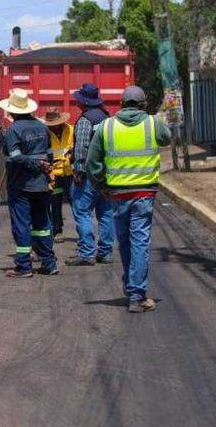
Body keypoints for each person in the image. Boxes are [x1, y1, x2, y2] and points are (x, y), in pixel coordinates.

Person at [87, 85, 171, 313]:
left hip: (117, 194)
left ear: (122, 105)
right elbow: (167, 138)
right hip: (144, 193)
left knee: (124, 241)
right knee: (140, 242)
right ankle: (137, 295)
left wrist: (101, 185)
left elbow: (91, 162)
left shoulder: (106, 126)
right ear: (144, 104)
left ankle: (131, 287)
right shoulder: (152, 123)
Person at [0, 89, 58, 278]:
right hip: (41, 185)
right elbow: (49, 154)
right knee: (42, 225)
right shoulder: (42, 128)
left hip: (21, 186)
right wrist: (43, 166)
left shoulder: (13, 130)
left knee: (22, 225)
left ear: (12, 111)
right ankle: (49, 263)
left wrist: (34, 163)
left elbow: (15, 157)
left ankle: (24, 266)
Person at [67, 83, 115, 266]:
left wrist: (78, 172)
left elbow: (81, 148)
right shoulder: (106, 117)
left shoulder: (85, 120)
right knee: (105, 213)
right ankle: (105, 252)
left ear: (83, 102)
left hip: (88, 175)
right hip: (106, 174)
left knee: (82, 211)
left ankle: (87, 252)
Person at [42, 109, 74, 242]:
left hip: (69, 172)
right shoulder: (45, 133)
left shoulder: (71, 130)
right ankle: (57, 230)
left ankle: (84, 232)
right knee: (55, 202)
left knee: (76, 202)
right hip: (54, 174)